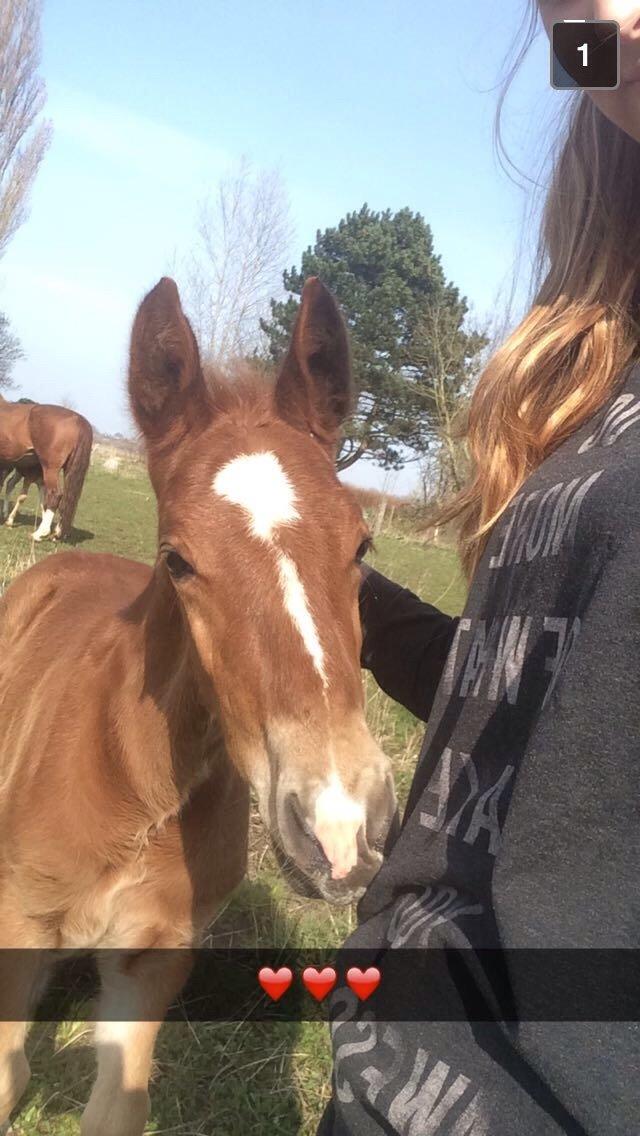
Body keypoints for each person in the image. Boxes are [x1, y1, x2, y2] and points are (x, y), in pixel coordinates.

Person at [318, 3, 640, 1134]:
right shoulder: (598, 385)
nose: (600, 20)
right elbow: (536, 719)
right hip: (381, 1074)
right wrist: (331, 591)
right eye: (561, 13)